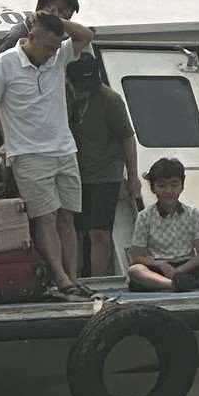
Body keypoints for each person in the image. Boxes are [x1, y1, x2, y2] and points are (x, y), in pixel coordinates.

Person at [0, 11, 94, 299]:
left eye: (56, 47)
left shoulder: (58, 57)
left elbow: (86, 35)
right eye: (47, 47)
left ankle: (73, 277)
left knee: (67, 217)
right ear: (30, 37)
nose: (52, 54)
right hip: (28, 153)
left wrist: (56, 21)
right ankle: (61, 280)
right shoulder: (3, 65)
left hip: (64, 149)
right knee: (45, 218)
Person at [66, 53, 141, 276]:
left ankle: (100, 279)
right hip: (75, 172)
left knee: (99, 232)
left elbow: (127, 137)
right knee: (76, 231)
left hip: (106, 173)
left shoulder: (110, 99)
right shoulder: (65, 95)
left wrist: (133, 176)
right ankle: (75, 277)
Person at [127, 158, 199, 291]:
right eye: (162, 185)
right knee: (135, 270)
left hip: (188, 267)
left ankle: (198, 282)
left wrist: (179, 271)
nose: (168, 191)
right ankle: (172, 285)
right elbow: (136, 257)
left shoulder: (192, 213)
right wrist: (161, 265)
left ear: (182, 186)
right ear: (153, 188)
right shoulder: (144, 216)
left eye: (174, 185)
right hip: (159, 269)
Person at [0, 0, 81, 52]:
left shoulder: (60, 37)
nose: (65, 24)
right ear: (51, 10)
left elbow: (87, 36)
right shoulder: (15, 36)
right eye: (65, 19)